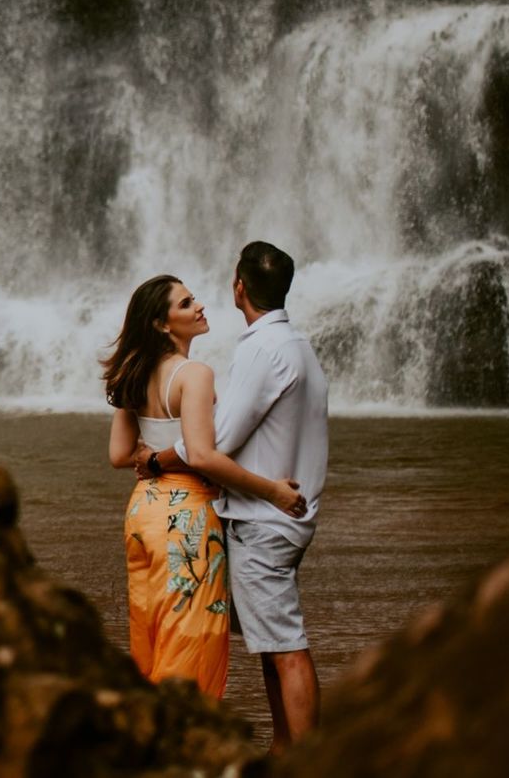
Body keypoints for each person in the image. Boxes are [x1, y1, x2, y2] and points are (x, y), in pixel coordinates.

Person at [143, 242, 330, 753]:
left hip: (262, 521)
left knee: (287, 647)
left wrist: (158, 459)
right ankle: (283, 748)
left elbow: (216, 441)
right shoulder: (299, 345)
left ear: (239, 286)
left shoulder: (261, 350)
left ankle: (308, 761)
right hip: (288, 514)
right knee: (274, 644)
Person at [106, 273, 307, 702]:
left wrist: (153, 453)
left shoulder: (133, 371)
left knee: (152, 637)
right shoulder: (193, 374)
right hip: (188, 522)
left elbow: (120, 455)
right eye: (185, 304)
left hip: (143, 515)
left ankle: (145, 745)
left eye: (193, 299)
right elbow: (203, 456)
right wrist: (272, 491)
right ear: (162, 324)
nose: (199, 307)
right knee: (189, 642)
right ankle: (179, 750)